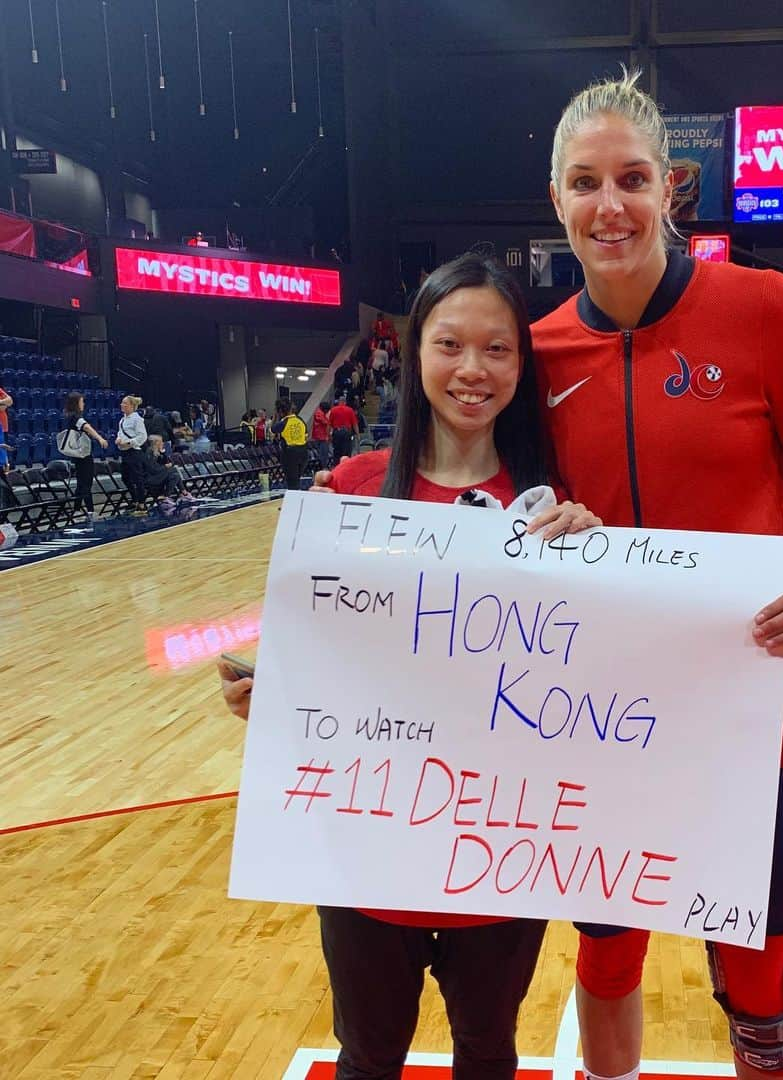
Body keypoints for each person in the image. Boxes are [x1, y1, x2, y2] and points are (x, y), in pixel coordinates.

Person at [530, 69, 783, 1080]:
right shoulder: (537, 351)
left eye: (631, 179)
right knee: (607, 952)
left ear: (671, 188)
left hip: (747, 715)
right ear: (556, 197)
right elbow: (472, 515)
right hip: (599, 717)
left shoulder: (763, 308)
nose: (610, 206)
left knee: (760, 970)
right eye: (585, 182)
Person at [225, 253, 600, 1080]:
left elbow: (588, 684)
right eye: (450, 345)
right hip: (368, 854)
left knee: (488, 1055)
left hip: (500, 851)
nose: (473, 370)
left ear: (522, 364)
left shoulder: (559, 513)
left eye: (498, 349)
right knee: (368, 1057)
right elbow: (330, 660)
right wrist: (278, 696)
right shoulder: (350, 492)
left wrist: (598, 566)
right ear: (412, 352)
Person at [61, 392, 109, 520]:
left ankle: (77, 510)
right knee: (86, 483)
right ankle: (90, 511)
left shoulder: (69, 416)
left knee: (81, 484)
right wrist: (100, 438)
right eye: (82, 402)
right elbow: (87, 428)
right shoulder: (77, 418)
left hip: (77, 455)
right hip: (83, 455)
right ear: (77, 403)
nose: (84, 404)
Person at [115, 395, 149, 515]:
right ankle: (135, 499)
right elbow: (120, 432)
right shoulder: (122, 420)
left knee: (137, 478)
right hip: (124, 451)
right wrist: (118, 439)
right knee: (125, 477)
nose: (122, 405)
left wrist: (130, 442)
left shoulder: (137, 419)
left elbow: (142, 436)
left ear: (131, 406)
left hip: (134, 451)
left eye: (124, 403)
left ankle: (142, 503)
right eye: (122, 403)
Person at [271, 398, 308, 490]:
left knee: (291, 482)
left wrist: (275, 416)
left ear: (280, 411)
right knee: (296, 480)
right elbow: (306, 435)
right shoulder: (301, 420)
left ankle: (293, 500)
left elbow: (272, 429)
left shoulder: (282, 423)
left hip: (290, 454)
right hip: (303, 452)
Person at [143, 435, 190, 503]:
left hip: (158, 476)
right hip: (151, 478)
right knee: (173, 472)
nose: (163, 443)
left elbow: (165, 462)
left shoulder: (157, 452)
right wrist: (165, 466)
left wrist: (163, 453)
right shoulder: (149, 453)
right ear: (156, 443)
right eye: (161, 442)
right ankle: (182, 493)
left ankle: (171, 495)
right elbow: (153, 470)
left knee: (175, 475)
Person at [328, 394, 361, 463]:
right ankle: (345, 465)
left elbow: (329, 424)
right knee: (346, 451)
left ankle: (337, 466)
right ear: (345, 402)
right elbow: (355, 424)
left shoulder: (333, 410)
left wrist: (328, 435)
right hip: (346, 432)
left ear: (339, 402)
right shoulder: (350, 410)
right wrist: (358, 435)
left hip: (337, 432)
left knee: (337, 451)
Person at [311, 400, 332, 470]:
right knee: (323, 454)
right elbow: (325, 422)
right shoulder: (318, 413)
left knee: (324, 454)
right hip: (320, 437)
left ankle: (322, 466)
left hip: (321, 437)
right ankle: (323, 467)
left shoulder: (321, 413)